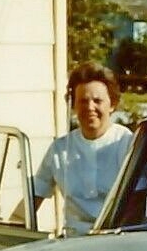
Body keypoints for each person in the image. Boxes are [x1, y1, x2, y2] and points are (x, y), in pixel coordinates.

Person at [33, 63, 133, 237]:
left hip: (118, 238)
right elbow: (34, 196)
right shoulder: (60, 149)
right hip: (74, 242)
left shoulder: (126, 142)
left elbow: (136, 204)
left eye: (97, 101)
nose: (90, 107)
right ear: (73, 106)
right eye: (83, 101)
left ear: (112, 104)